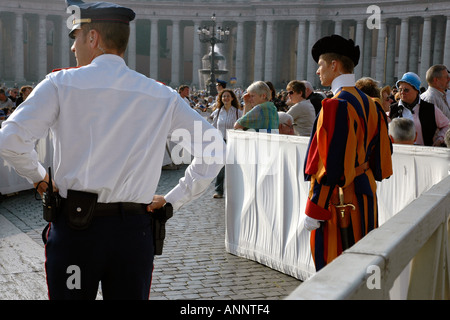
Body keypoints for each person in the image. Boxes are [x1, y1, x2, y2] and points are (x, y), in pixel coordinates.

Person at [0, 0, 225, 300]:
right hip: (134, 233)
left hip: (76, 231)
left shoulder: (61, 85)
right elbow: (215, 150)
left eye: (76, 38)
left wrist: (39, 178)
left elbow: (10, 140)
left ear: (92, 38)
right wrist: (173, 200)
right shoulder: (161, 96)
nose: (73, 49)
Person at [303, 34, 393, 271]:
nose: (317, 71)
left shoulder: (336, 105)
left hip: (340, 202)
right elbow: (382, 160)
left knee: (334, 269)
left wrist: (315, 207)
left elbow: (330, 165)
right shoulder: (371, 103)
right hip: (366, 195)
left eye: (320, 65)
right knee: (364, 265)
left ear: (334, 65)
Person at [390, 72, 449, 147]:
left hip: (423, 153)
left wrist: (440, 138)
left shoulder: (430, 108)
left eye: (406, 90)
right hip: (399, 153)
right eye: (400, 89)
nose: (402, 92)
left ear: (416, 90)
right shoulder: (393, 109)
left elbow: (447, 125)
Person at [209, 89, 242, 198]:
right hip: (220, 141)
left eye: (228, 96)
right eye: (223, 96)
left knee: (233, 166)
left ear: (232, 98)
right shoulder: (218, 111)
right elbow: (213, 126)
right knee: (220, 167)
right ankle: (219, 190)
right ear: (221, 99)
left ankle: (235, 190)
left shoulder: (238, 112)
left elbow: (241, 127)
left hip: (233, 141)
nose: (226, 98)